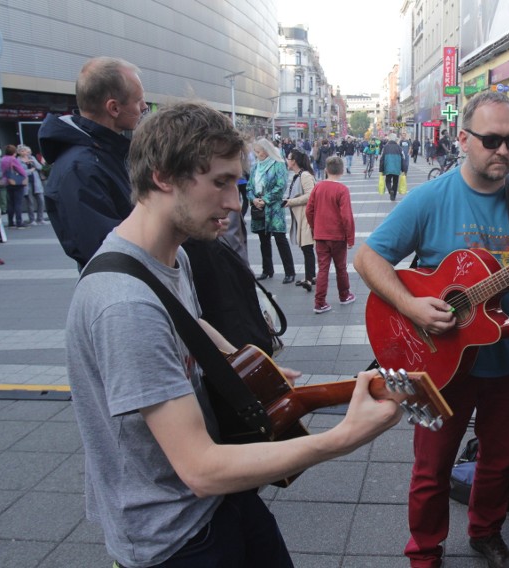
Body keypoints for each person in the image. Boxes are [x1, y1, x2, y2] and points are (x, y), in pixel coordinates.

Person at [67, 100, 402, 568]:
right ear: (163, 176)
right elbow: (201, 468)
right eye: (220, 182)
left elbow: (183, 320)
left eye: (236, 182)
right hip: (172, 536)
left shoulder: (170, 255)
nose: (233, 202)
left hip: (218, 502)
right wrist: (343, 438)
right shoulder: (123, 307)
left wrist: (234, 359)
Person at [353, 91, 509, 568]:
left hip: (503, 359)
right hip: (432, 361)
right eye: (492, 140)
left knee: (499, 458)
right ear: (463, 139)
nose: (504, 151)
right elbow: (368, 258)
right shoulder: (430, 198)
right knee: (431, 468)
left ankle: (486, 532)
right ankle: (424, 552)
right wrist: (412, 306)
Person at [39, 56, 148, 268]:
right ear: (114, 108)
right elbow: (107, 250)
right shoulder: (82, 167)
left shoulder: (104, 153)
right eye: (138, 100)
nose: (144, 107)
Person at [305, 155, 356, 314]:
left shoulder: (318, 187)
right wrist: (350, 237)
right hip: (338, 236)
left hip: (321, 236)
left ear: (326, 170)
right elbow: (346, 216)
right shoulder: (342, 190)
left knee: (323, 269)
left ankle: (319, 302)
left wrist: (315, 227)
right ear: (342, 171)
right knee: (341, 267)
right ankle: (344, 295)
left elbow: (309, 210)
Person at [247, 138, 296, 283]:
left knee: (280, 239)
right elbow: (249, 187)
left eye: (259, 151)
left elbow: (281, 187)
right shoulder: (255, 167)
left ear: (266, 150)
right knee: (263, 241)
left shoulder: (278, 164)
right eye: (255, 151)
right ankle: (267, 270)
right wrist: (254, 199)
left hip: (273, 208)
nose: (257, 154)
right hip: (258, 207)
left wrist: (265, 200)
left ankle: (290, 272)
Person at [283, 148, 317, 291]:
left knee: (307, 248)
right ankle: (310, 276)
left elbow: (311, 195)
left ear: (294, 161)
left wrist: (290, 202)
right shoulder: (298, 175)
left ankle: (309, 279)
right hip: (300, 217)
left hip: (306, 217)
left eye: (289, 158)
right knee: (305, 248)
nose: (287, 160)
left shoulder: (305, 176)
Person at [0, 145, 28, 229]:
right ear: (14, 152)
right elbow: (20, 170)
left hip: (7, 182)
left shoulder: (3, 159)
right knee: (18, 203)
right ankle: (19, 222)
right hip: (16, 182)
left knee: (10, 203)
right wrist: (24, 176)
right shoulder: (13, 159)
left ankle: (11, 222)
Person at [18, 145, 46, 226]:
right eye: (23, 151)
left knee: (41, 200)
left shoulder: (32, 158)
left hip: (36, 182)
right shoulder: (18, 160)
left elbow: (40, 167)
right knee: (30, 202)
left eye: (27, 151)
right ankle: (32, 219)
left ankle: (40, 218)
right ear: (19, 152)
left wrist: (33, 163)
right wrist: (30, 170)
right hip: (26, 183)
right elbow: (20, 172)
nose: (26, 153)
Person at [380, 133, 407, 201]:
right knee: (395, 182)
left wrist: (381, 169)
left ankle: (390, 190)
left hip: (388, 167)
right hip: (397, 168)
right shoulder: (399, 148)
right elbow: (403, 158)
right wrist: (404, 169)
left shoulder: (385, 147)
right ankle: (393, 196)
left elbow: (382, 159)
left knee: (388, 180)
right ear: (395, 139)